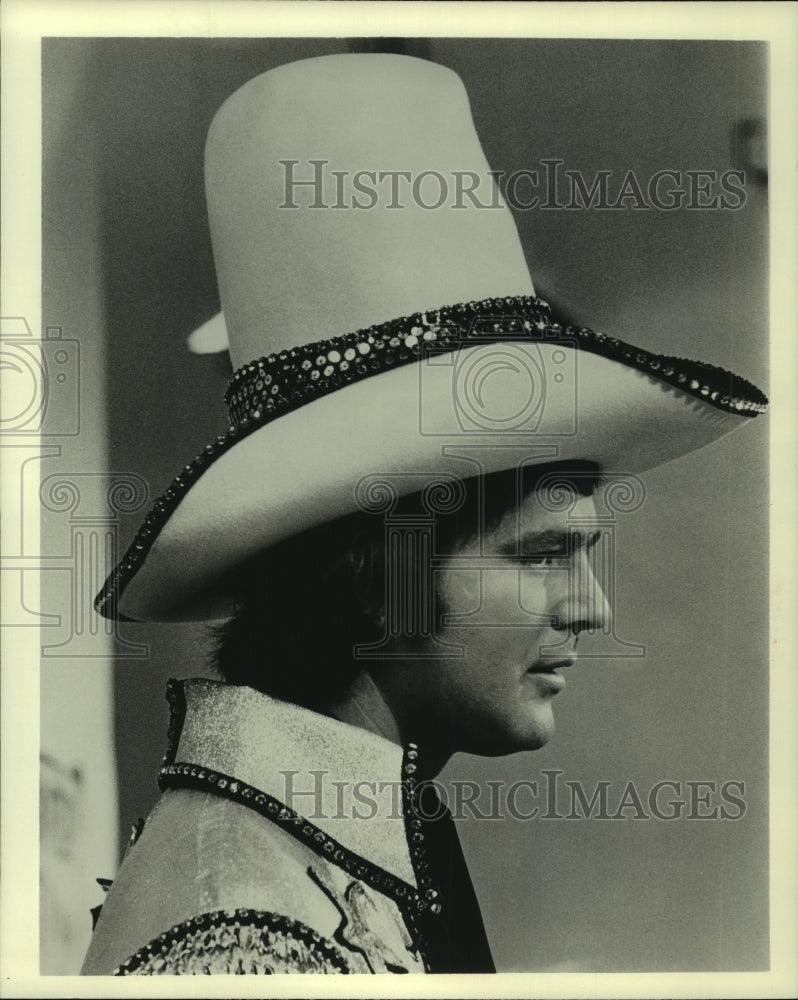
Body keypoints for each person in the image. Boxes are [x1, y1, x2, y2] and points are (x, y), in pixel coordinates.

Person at [81, 53, 767, 975]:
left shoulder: (330, 846)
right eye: (542, 555)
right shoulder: (242, 941)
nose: (592, 608)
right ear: (383, 575)